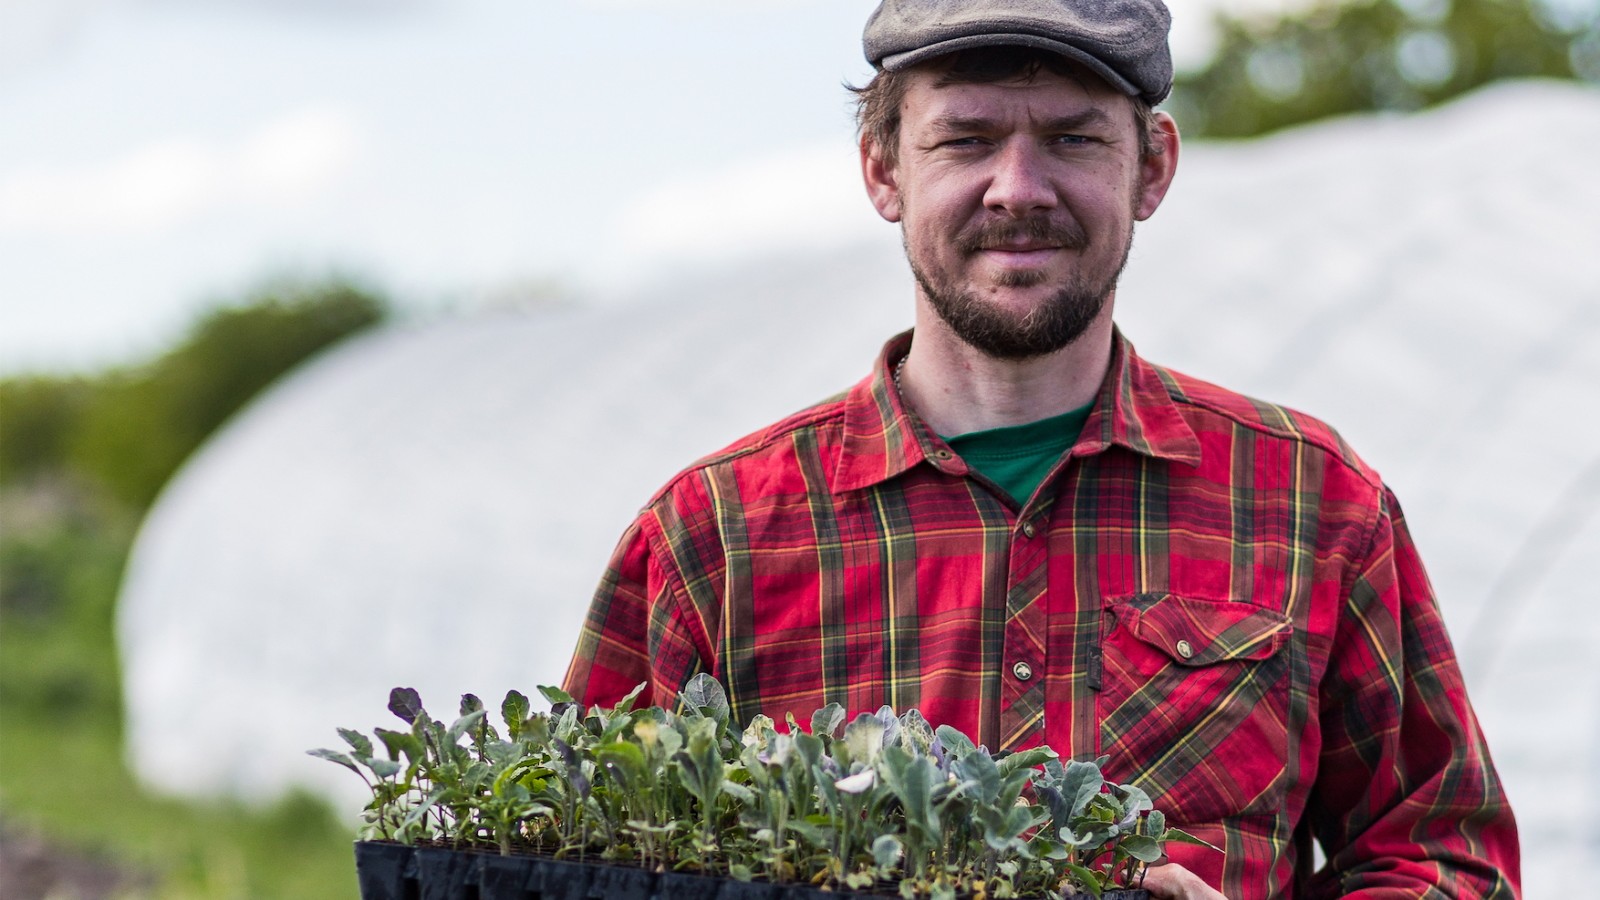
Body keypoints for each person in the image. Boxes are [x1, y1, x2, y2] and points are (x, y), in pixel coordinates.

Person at [562, 1, 1521, 897]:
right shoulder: (715, 539)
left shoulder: (1313, 503)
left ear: (1151, 169)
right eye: (966, 139)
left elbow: (1445, 855)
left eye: (1072, 138)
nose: (1018, 189)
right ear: (883, 170)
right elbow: (568, 857)